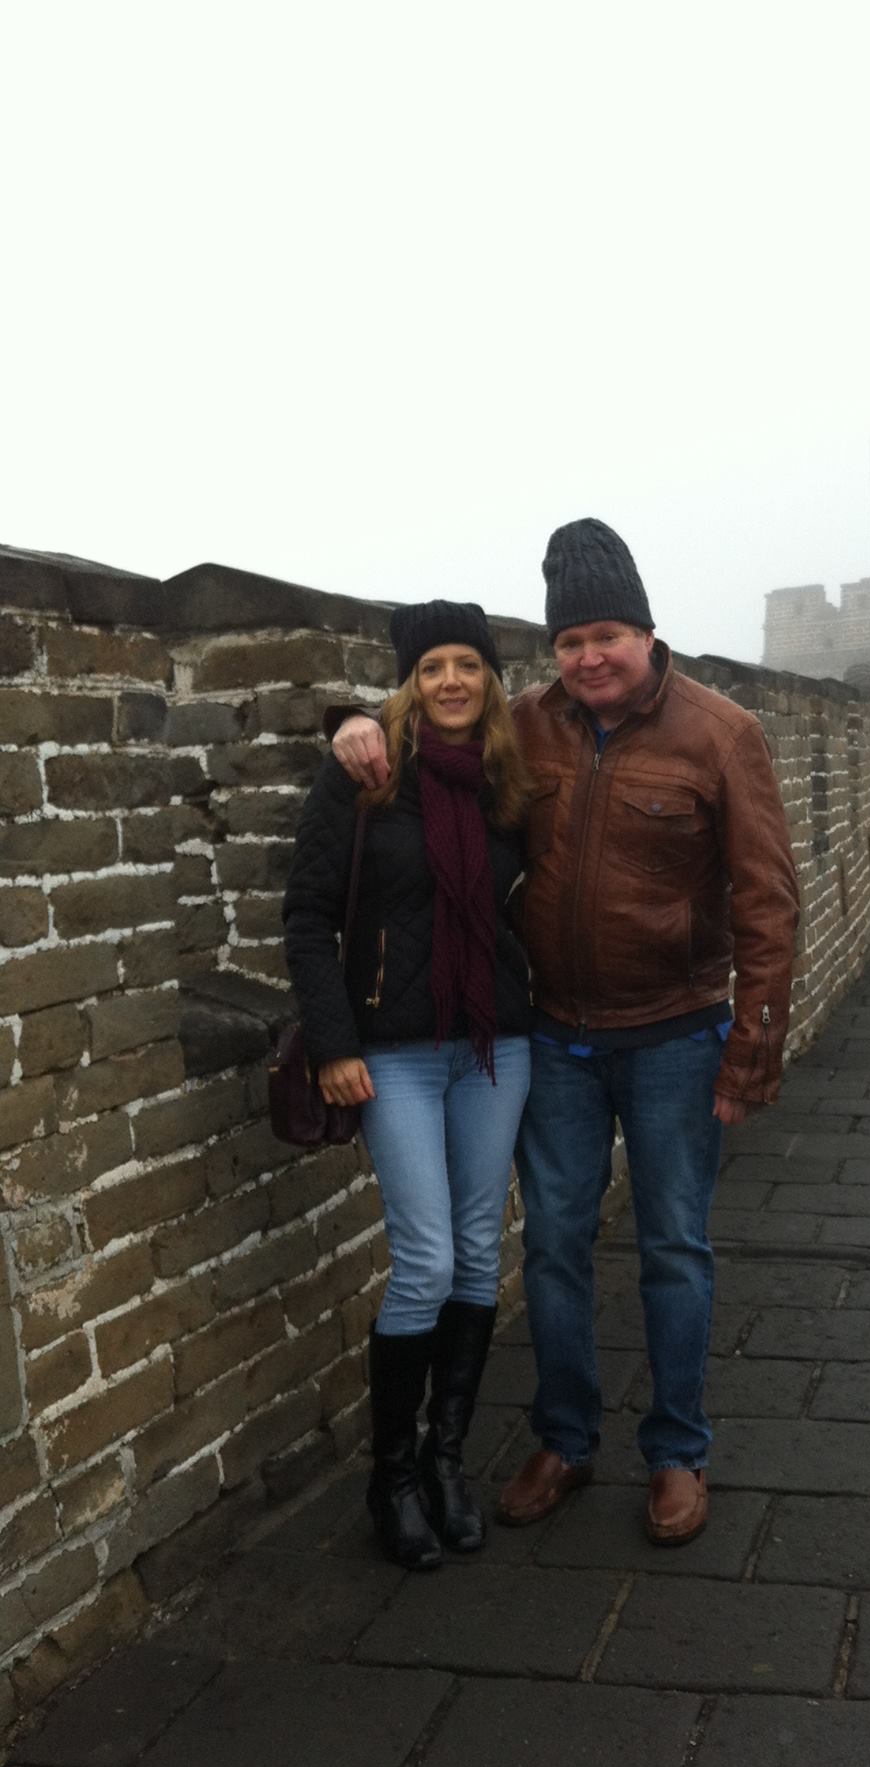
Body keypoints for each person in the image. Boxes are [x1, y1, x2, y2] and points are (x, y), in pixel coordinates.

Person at [331, 520, 800, 1546]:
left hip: (676, 1034)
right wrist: (350, 721)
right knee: (550, 1245)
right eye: (571, 641)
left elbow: (768, 900)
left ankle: (675, 1452)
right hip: (552, 1038)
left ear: (646, 633)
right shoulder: (526, 726)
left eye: (607, 636)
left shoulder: (720, 733)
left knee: (673, 1247)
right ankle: (565, 1436)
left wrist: (751, 1049)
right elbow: (427, 723)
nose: (589, 657)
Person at [284, 601, 534, 1571]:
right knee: (425, 1258)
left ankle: (444, 1460)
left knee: (478, 1251)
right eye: (431, 666)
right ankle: (389, 1478)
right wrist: (332, 1043)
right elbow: (307, 915)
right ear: (408, 682)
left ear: (491, 679)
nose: (452, 680)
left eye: (468, 662)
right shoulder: (364, 772)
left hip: (493, 1044)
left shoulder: (508, 781)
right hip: (390, 1051)